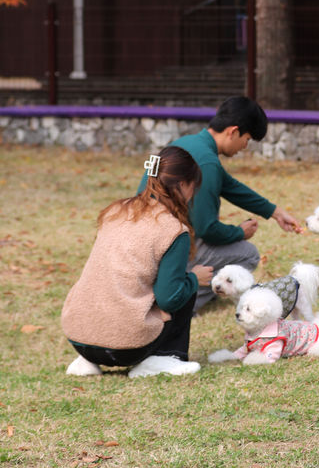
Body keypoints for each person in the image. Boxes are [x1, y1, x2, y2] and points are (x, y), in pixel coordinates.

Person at [140, 96, 303, 311]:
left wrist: (274, 212)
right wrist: (239, 232)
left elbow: (229, 186)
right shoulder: (207, 163)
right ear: (233, 131)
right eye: (247, 139)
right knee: (248, 253)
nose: (245, 147)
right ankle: (185, 301)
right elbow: (207, 229)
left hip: (145, 243)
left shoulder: (185, 143)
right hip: (167, 250)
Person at [62, 146, 212, 378]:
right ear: (183, 185)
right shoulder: (173, 229)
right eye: (194, 186)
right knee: (185, 283)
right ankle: (166, 357)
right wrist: (195, 279)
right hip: (125, 348)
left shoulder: (115, 210)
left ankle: (87, 361)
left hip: (79, 338)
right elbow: (169, 298)